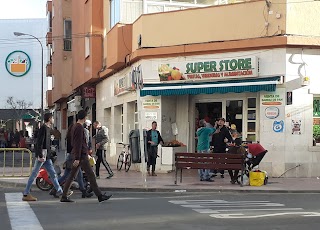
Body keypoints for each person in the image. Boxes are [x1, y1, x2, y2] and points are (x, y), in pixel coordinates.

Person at [60, 110, 112, 203]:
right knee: (91, 175)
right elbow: (78, 143)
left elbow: (73, 142)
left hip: (78, 154)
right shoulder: (79, 128)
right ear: (84, 118)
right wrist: (77, 157)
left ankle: (64, 195)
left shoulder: (74, 126)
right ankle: (99, 196)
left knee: (72, 176)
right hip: (81, 156)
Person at [22, 113, 63, 201]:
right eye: (52, 118)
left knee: (53, 174)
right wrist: (40, 154)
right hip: (42, 155)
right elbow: (40, 142)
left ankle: (60, 191)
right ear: (49, 119)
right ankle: (26, 193)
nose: (53, 120)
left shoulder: (47, 128)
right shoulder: (44, 128)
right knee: (34, 174)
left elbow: (45, 142)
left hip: (46, 156)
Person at [49, 124, 93, 199]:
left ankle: (54, 189)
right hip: (73, 157)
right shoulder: (73, 137)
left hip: (70, 157)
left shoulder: (68, 136)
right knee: (75, 175)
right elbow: (75, 147)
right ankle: (83, 191)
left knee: (71, 175)